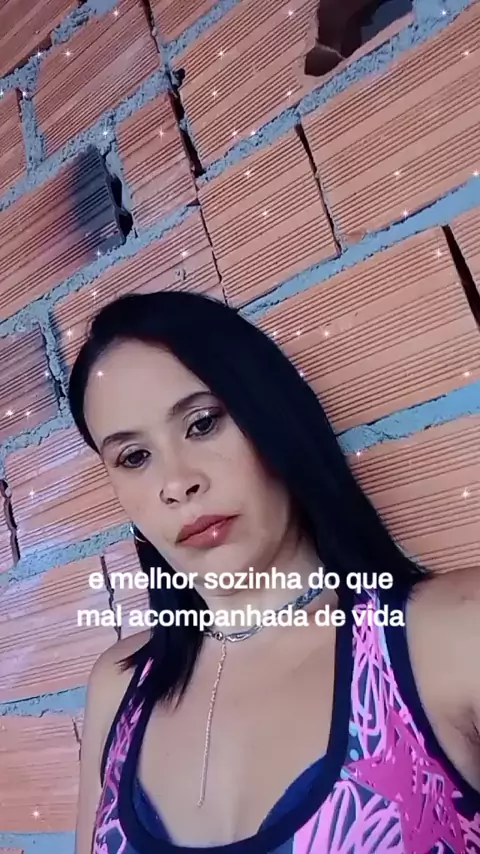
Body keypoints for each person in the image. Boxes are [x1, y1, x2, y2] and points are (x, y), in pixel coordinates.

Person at [70, 289, 480, 854]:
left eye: (202, 423)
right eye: (134, 458)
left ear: (272, 419)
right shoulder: (119, 687)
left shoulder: (450, 636)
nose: (177, 482)